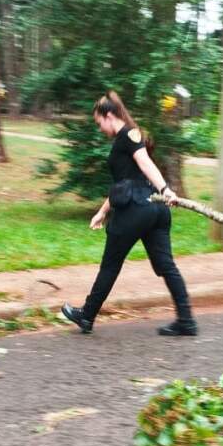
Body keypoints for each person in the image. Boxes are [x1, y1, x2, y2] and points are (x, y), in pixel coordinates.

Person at [62, 91, 197, 337]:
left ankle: (87, 316)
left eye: (99, 122)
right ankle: (186, 320)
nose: (99, 128)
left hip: (137, 209)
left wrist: (166, 189)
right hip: (154, 209)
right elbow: (125, 183)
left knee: (110, 265)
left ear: (109, 115)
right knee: (166, 265)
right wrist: (102, 212)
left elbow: (145, 163)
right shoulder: (126, 138)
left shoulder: (129, 135)